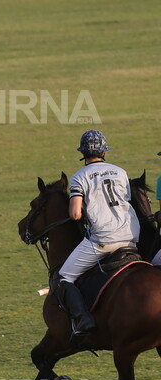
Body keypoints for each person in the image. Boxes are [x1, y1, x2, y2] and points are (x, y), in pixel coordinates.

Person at [57, 130, 139, 342]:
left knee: (63, 277)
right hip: (131, 236)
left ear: (83, 153)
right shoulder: (120, 172)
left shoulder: (79, 177)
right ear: (104, 151)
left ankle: (83, 320)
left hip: (103, 239)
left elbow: (75, 214)